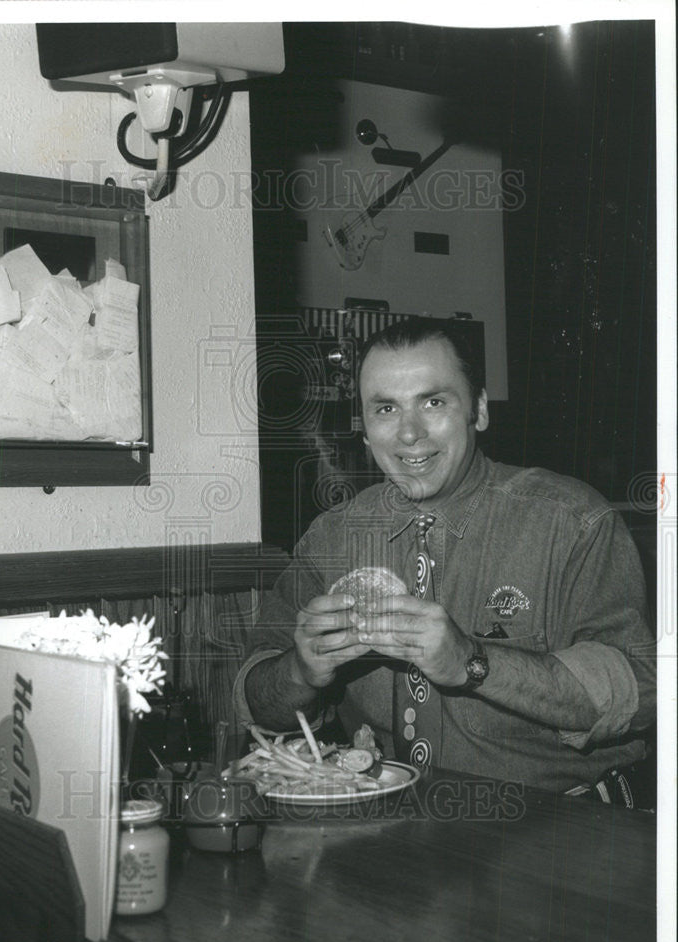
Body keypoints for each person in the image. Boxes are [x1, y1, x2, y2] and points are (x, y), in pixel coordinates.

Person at [232, 319, 656, 792]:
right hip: (384, 823)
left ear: (478, 410)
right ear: (366, 432)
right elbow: (255, 704)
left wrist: (473, 663)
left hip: (556, 827)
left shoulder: (572, 522)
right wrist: (300, 670)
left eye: (433, 402)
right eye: (386, 408)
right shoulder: (330, 540)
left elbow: (640, 693)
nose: (410, 433)